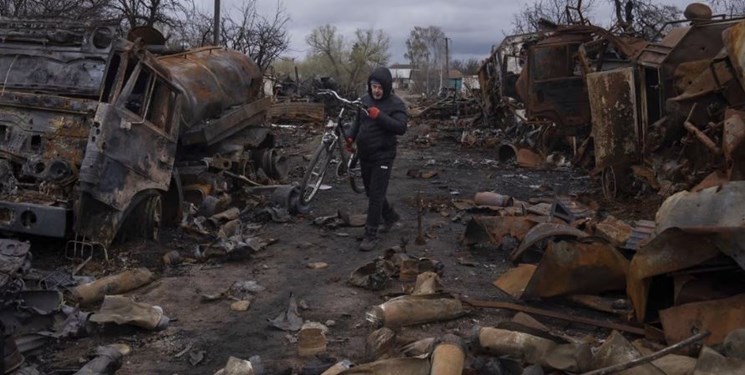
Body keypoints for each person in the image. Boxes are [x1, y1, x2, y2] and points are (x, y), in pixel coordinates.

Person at [347, 67, 408, 251]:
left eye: (380, 87)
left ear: (387, 87)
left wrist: (379, 116)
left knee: (375, 196)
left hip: (383, 155)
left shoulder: (396, 104)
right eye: (374, 86)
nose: (376, 90)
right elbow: (358, 122)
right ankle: (389, 216)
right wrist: (350, 137)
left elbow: (401, 127)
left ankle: (371, 234)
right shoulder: (365, 100)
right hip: (365, 154)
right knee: (370, 191)